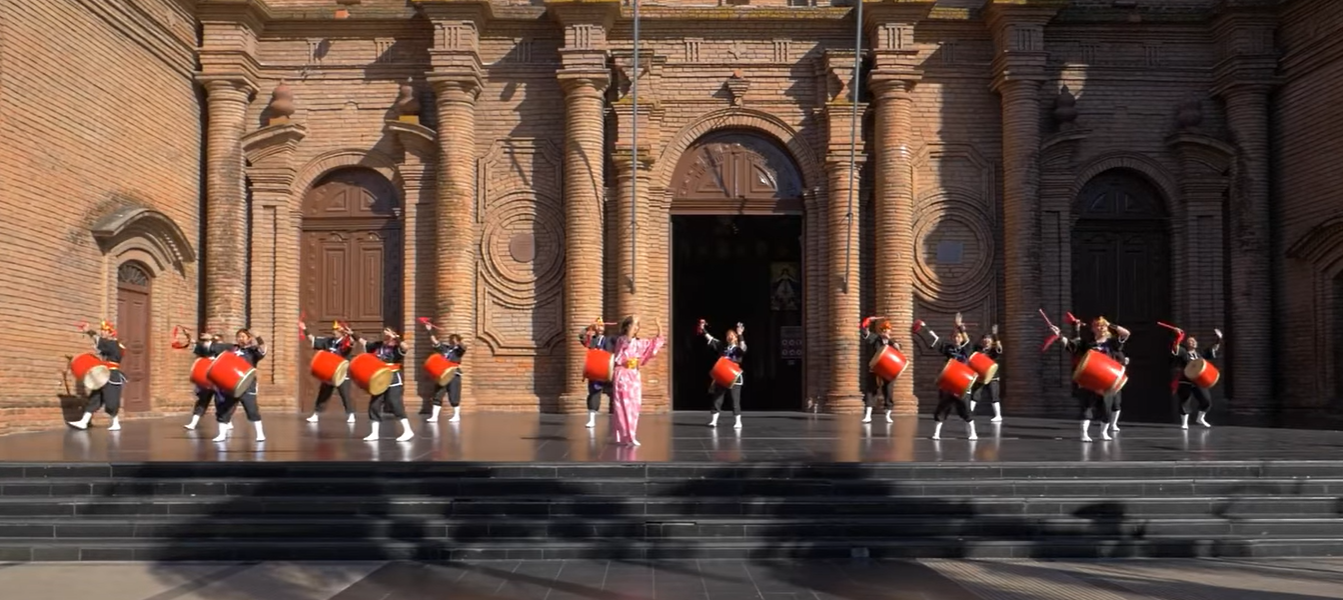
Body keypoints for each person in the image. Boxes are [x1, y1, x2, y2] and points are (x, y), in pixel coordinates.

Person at [1050, 316, 1130, 442]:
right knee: (1087, 407)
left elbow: (1126, 333)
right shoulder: (1086, 343)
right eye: (1096, 325)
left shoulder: (1113, 343)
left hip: (1107, 379)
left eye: (1102, 325)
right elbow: (1070, 345)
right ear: (1092, 328)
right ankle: (1084, 434)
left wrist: (1111, 324)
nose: (1099, 327)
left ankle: (1103, 433)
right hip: (1090, 378)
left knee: (1107, 408)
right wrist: (1059, 335)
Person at [915, 316, 978, 441]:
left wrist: (960, 326)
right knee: (942, 408)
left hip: (962, 383)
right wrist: (924, 327)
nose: (956, 338)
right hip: (949, 383)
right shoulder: (948, 348)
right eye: (954, 337)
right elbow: (935, 339)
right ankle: (936, 434)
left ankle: (973, 433)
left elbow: (968, 341)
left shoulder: (967, 349)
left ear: (962, 338)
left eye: (958, 336)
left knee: (965, 410)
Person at [610, 315, 665, 446]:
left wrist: (659, 326)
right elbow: (627, 340)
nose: (636, 328)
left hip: (634, 375)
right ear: (627, 327)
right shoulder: (621, 340)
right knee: (622, 406)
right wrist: (632, 321)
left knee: (634, 405)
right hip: (622, 374)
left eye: (637, 326)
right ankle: (624, 436)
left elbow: (656, 343)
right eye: (634, 325)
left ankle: (631, 434)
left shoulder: (639, 342)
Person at [208, 329, 268, 443]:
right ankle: (221, 435)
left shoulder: (252, 351)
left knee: (252, 410)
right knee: (224, 410)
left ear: (249, 338)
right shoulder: (232, 348)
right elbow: (213, 347)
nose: (241, 338)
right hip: (231, 384)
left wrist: (259, 337)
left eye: (243, 336)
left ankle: (260, 434)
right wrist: (207, 339)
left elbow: (263, 349)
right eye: (238, 336)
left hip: (248, 385)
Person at [68, 321, 127, 431]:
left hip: (112, 375)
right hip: (102, 374)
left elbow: (101, 342)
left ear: (111, 333)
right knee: (95, 398)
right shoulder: (110, 344)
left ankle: (115, 422)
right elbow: (102, 343)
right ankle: (84, 422)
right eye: (102, 331)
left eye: (105, 331)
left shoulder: (114, 345)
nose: (103, 333)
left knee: (111, 400)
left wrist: (89, 332)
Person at [359, 328, 414, 442]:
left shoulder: (396, 348)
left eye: (388, 336)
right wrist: (352, 334)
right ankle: (374, 433)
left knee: (395, 403)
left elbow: (406, 347)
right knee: (375, 404)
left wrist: (396, 338)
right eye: (385, 335)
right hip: (379, 378)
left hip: (393, 377)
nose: (386, 337)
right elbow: (363, 342)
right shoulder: (378, 346)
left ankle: (408, 431)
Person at [301, 321, 358, 424]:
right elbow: (313, 339)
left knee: (345, 394)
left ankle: (351, 414)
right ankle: (316, 414)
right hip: (329, 372)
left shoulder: (346, 342)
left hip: (342, 372)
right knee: (323, 394)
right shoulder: (329, 341)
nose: (334, 332)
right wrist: (305, 329)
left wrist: (351, 334)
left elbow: (352, 343)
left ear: (342, 332)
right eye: (334, 330)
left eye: (336, 330)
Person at [1171, 327, 1223, 429]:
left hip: (1198, 381)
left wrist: (1218, 339)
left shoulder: (1199, 355)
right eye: (1190, 341)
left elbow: (1213, 349)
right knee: (1184, 400)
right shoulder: (1183, 352)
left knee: (1206, 400)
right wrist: (1179, 336)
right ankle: (1184, 423)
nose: (1193, 343)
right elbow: (1175, 347)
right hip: (1185, 380)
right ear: (1187, 344)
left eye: (1194, 341)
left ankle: (1200, 418)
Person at [702, 320, 747, 430]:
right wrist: (703, 329)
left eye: (732, 335)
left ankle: (738, 421)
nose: (730, 337)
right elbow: (711, 339)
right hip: (722, 375)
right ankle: (714, 420)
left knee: (734, 399)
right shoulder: (723, 347)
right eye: (728, 336)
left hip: (734, 376)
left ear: (735, 337)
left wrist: (740, 334)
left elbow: (743, 348)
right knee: (717, 398)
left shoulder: (737, 349)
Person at [860, 317, 901, 424]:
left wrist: (891, 341)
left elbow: (899, 350)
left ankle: (888, 414)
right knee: (871, 390)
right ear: (880, 330)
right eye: (883, 330)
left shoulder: (893, 342)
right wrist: (868, 321)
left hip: (888, 370)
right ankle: (868, 415)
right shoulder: (874, 338)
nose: (885, 332)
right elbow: (864, 331)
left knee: (888, 391)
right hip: (875, 368)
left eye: (887, 330)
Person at [183, 331, 226, 431]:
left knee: (220, 401)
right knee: (202, 400)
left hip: (217, 377)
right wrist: (189, 336)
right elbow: (196, 345)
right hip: (206, 377)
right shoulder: (203, 346)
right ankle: (193, 423)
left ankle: (227, 422)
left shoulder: (220, 347)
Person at [426, 326, 466, 423]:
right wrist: (429, 330)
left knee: (454, 395)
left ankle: (456, 415)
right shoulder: (445, 348)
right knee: (438, 394)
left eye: (454, 340)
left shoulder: (458, 351)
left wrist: (459, 342)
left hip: (454, 374)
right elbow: (435, 341)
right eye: (450, 340)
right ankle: (434, 416)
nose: (452, 341)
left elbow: (464, 347)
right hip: (443, 374)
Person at [579, 318, 614, 429]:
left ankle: (618, 417)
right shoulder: (591, 340)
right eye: (598, 326)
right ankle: (591, 420)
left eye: (602, 326)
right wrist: (588, 327)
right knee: (594, 393)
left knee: (615, 392)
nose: (600, 328)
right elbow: (581, 336)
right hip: (595, 370)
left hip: (607, 369)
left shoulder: (609, 340)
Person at [969, 327, 1004, 423]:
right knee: (975, 394)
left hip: (993, 377)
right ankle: (969, 413)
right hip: (980, 376)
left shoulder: (993, 351)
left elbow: (999, 347)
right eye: (985, 339)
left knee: (994, 395)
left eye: (988, 339)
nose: (986, 341)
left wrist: (995, 335)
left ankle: (998, 415)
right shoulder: (978, 349)